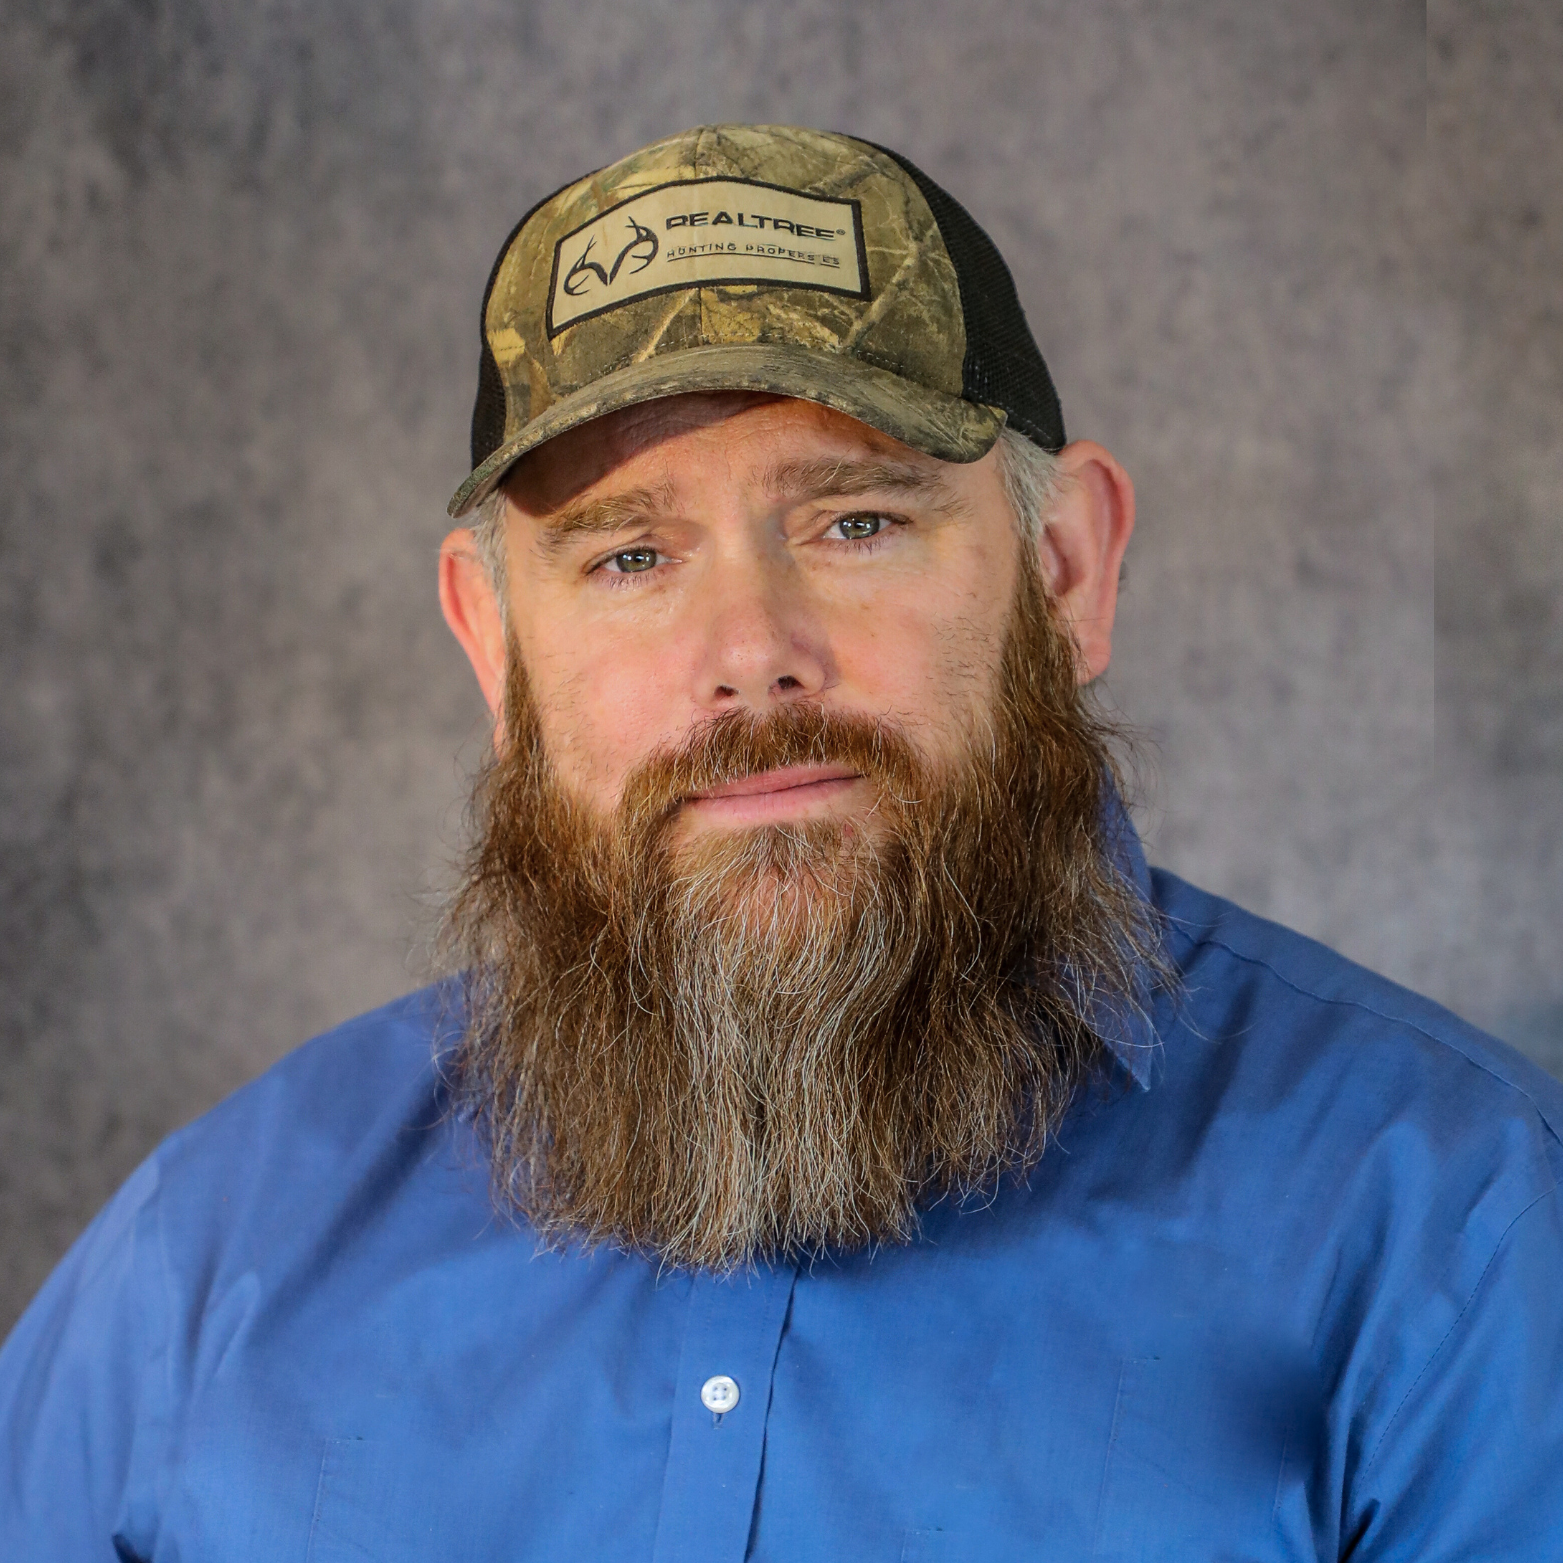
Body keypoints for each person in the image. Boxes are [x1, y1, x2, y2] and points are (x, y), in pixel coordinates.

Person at [1, 123, 1559, 1561]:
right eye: (627, 554)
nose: (749, 651)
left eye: (856, 522)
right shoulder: (207, 1263)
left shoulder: (1455, 1228)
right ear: (492, 644)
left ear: (1066, 568)